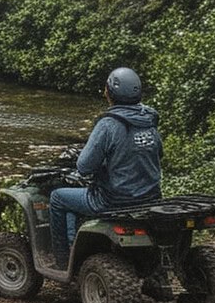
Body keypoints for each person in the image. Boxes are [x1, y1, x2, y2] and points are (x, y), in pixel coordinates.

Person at [49, 67, 162, 268]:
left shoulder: (109, 124)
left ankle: (63, 262)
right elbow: (156, 154)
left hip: (112, 201)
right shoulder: (149, 121)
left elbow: (84, 167)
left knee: (58, 198)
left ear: (110, 93)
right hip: (150, 198)